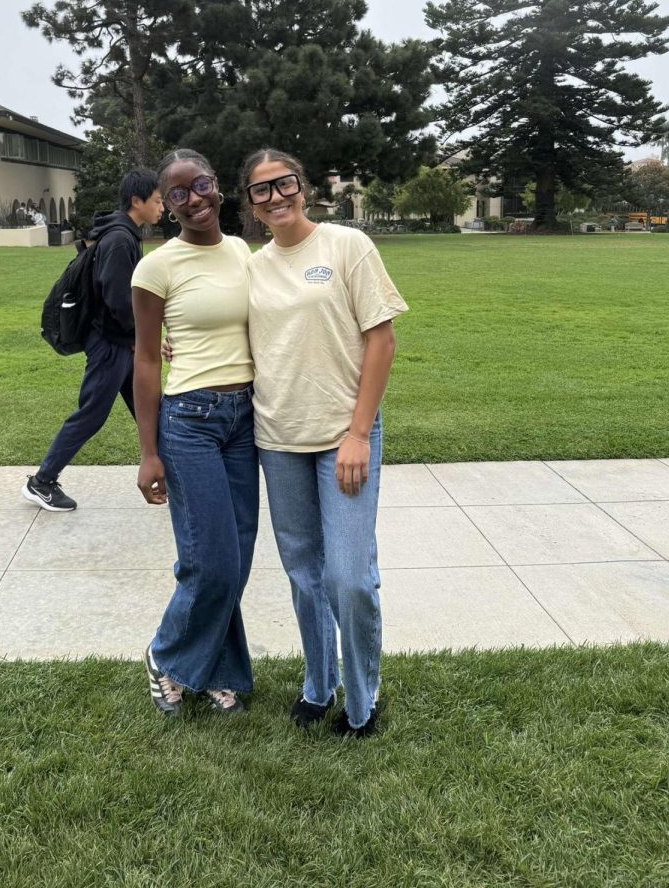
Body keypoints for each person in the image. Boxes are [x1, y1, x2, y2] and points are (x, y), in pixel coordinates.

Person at [241, 148, 407, 738]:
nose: (275, 197)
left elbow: (381, 339)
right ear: (252, 204)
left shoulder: (346, 245)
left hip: (345, 436)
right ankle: (319, 684)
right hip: (279, 438)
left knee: (349, 575)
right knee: (305, 574)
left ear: (303, 187)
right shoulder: (252, 267)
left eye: (283, 184)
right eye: (261, 190)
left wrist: (359, 432)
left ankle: (363, 701)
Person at [132, 149, 258, 718]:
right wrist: (147, 451)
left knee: (237, 557)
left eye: (200, 184)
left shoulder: (241, 251)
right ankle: (165, 656)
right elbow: (146, 359)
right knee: (210, 560)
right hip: (191, 422)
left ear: (217, 186)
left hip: (246, 418)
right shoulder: (156, 267)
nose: (194, 199)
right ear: (166, 205)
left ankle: (214, 671)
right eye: (178, 193)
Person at [22, 169, 163, 511]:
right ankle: (41, 481)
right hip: (110, 345)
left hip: (121, 342)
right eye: (158, 200)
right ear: (137, 201)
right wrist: (141, 340)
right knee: (92, 414)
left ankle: (171, 476)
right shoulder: (119, 240)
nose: (162, 207)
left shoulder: (122, 234)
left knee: (150, 409)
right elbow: (117, 300)